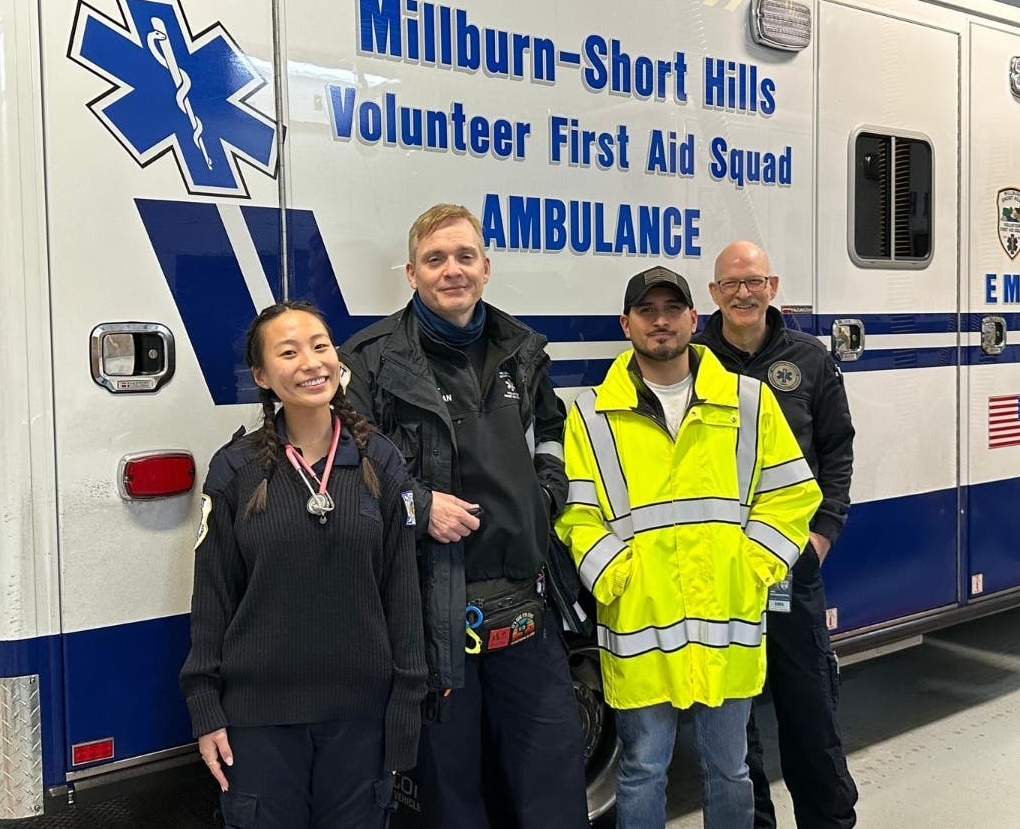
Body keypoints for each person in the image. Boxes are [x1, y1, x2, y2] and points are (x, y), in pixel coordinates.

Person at [340, 203, 589, 829]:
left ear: (486, 266)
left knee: (553, 789)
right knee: (452, 800)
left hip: (527, 609)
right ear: (411, 272)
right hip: (433, 616)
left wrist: (546, 494)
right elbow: (346, 467)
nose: (452, 270)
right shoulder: (369, 360)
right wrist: (417, 506)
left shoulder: (522, 349)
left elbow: (552, 429)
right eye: (435, 259)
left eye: (464, 256)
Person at [557, 265, 822, 829]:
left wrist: (755, 566)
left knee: (730, 770)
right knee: (642, 769)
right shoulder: (590, 415)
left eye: (671, 310)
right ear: (625, 324)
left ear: (693, 318)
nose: (660, 322)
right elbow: (577, 514)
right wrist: (613, 576)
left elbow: (794, 496)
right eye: (647, 312)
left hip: (726, 618)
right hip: (641, 622)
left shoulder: (749, 402)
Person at [180, 301, 426, 829]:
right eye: (288, 352)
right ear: (263, 376)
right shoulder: (235, 469)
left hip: (361, 719)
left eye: (320, 346)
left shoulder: (379, 461)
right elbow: (212, 598)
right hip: (258, 722)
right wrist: (205, 707)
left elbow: (403, 592)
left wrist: (407, 701)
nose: (311, 363)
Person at [696, 240, 859, 829]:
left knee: (809, 708)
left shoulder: (810, 359)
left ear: (773, 286)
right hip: (719, 572)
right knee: (732, 724)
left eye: (754, 281)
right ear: (713, 294)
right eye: (731, 284)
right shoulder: (689, 360)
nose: (744, 292)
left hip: (791, 566)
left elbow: (837, 450)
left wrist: (822, 533)